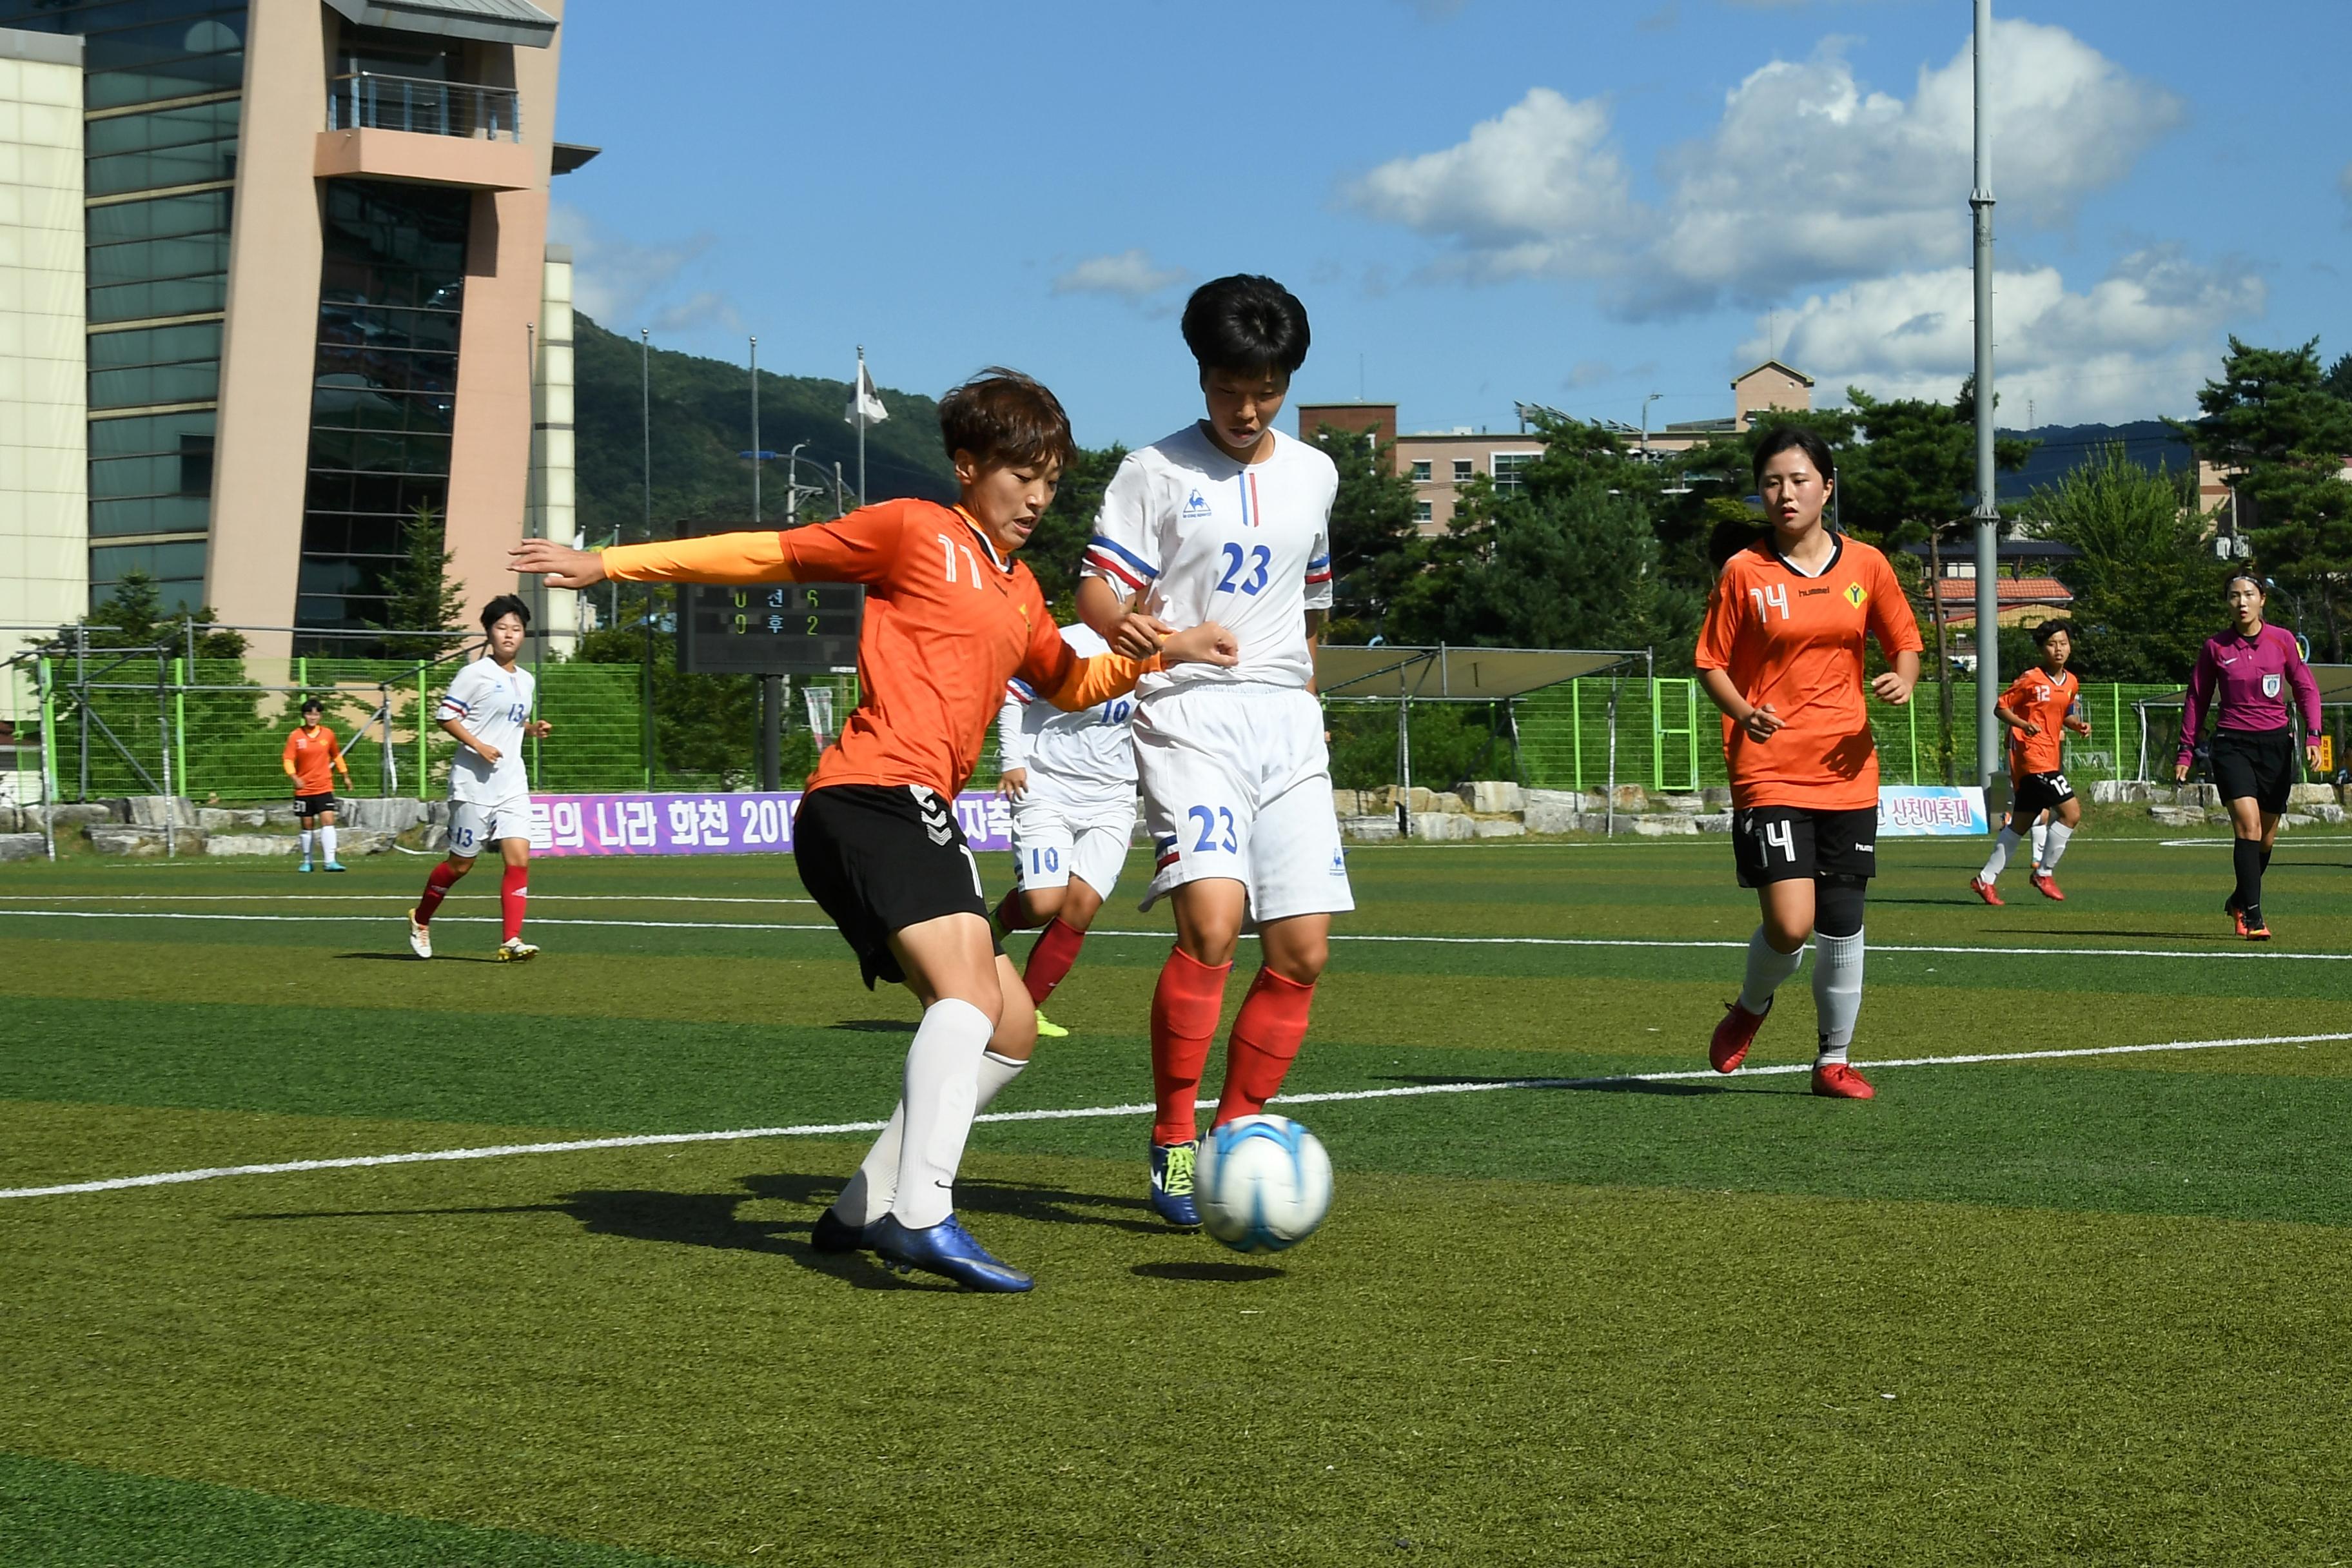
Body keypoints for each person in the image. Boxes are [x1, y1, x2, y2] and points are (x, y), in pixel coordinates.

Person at [513, 368, 1236, 1293]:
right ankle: (922, 1213)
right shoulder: (914, 530)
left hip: (915, 810)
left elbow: (1067, 681)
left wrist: (1160, 651)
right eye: (1023, 476)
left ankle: (865, 1203)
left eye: (1052, 481)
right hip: (868, 797)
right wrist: (609, 565)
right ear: (968, 466)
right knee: (968, 1002)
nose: (1039, 498)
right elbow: (768, 555)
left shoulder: (1019, 591)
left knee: (1009, 1029)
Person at [1076, 273, 1351, 1229]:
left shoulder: (1315, 474)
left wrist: (1302, 689)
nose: (1248, 406)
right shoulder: (1152, 471)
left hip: (1285, 726)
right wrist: (1170, 640)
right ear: (1200, 373)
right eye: (1232, 385)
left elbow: (1314, 600)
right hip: (1188, 712)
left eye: (1268, 387)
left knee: (1304, 951)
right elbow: (1098, 601)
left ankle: (1240, 1128)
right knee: (1211, 925)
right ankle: (1175, 1136)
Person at [1696, 427, 1923, 1101]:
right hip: (1768, 767)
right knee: (1791, 923)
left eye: (1798, 480)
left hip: (1848, 765)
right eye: (1771, 481)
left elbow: (1904, 641)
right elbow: (1709, 661)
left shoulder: (1867, 564)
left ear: (1827, 486)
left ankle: (1833, 1061)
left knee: (1842, 918)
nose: (1784, 493)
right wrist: (1742, 711)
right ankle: (1750, 1004)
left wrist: (1904, 679)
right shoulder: (1744, 570)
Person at [991, 618, 1141, 1039]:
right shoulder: (1063, 642)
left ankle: (1026, 1009)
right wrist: (1011, 761)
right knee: (1041, 905)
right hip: (1046, 787)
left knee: (1082, 905)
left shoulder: (1157, 644)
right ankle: (991, 929)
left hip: (1113, 796)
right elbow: (1011, 697)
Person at [2175, 574, 2323, 941]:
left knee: (2267, 840)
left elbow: (2305, 687)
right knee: (2248, 827)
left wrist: (2314, 734)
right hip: (2232, 745)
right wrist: (2186, 749)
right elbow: (2197, 697)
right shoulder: (2215, 647)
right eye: (2233, 596)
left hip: (2275, 746)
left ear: (2262, 600)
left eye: (2248, 595)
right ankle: (2254, 917)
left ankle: (2240, 899)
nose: (2241, 602)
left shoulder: (2283, 640)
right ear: (2227, 602)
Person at [406, 596, 552, 963]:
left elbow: (507, 721)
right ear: (488, 632)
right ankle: (421, 918)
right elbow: (445, 716)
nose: (509, 635)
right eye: (502, 628)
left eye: (516, 629)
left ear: (524, 635)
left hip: (512, 783)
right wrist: (478, 745)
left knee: (519, 860)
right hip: (474, 784)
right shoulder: (475, 674)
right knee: (461, 865)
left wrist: (531, 729)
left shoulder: (527, 680)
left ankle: (512, 940)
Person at [1972, 619, 2092, 904]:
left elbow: (2063, 713)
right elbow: (2000, 707)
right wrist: (2022, 724)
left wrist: (2076, 725)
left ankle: (1985, 879)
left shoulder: (2071, 682)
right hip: (2032, 758)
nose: (2059, 649)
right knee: (2071, 813)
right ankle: (2044, 872)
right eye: (2052, 644)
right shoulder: (2031, 678)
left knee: (2020, 824)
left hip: (2050, 755)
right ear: (2042, 649)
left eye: (2063, 643)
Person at [282, 698, 353, 872]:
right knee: (307, 825)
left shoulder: (328, 734)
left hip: (324, 787)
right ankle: (308, 861)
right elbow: (288, 759)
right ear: (304, 716)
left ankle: (330, 861)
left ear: (320, 716)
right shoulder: (296, 736)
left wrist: (345, 776)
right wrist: (294, 776)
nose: (313, 717)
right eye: (309, 714)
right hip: (304, 789)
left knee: (328, 821)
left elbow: (336, 756)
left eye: (316, 714)